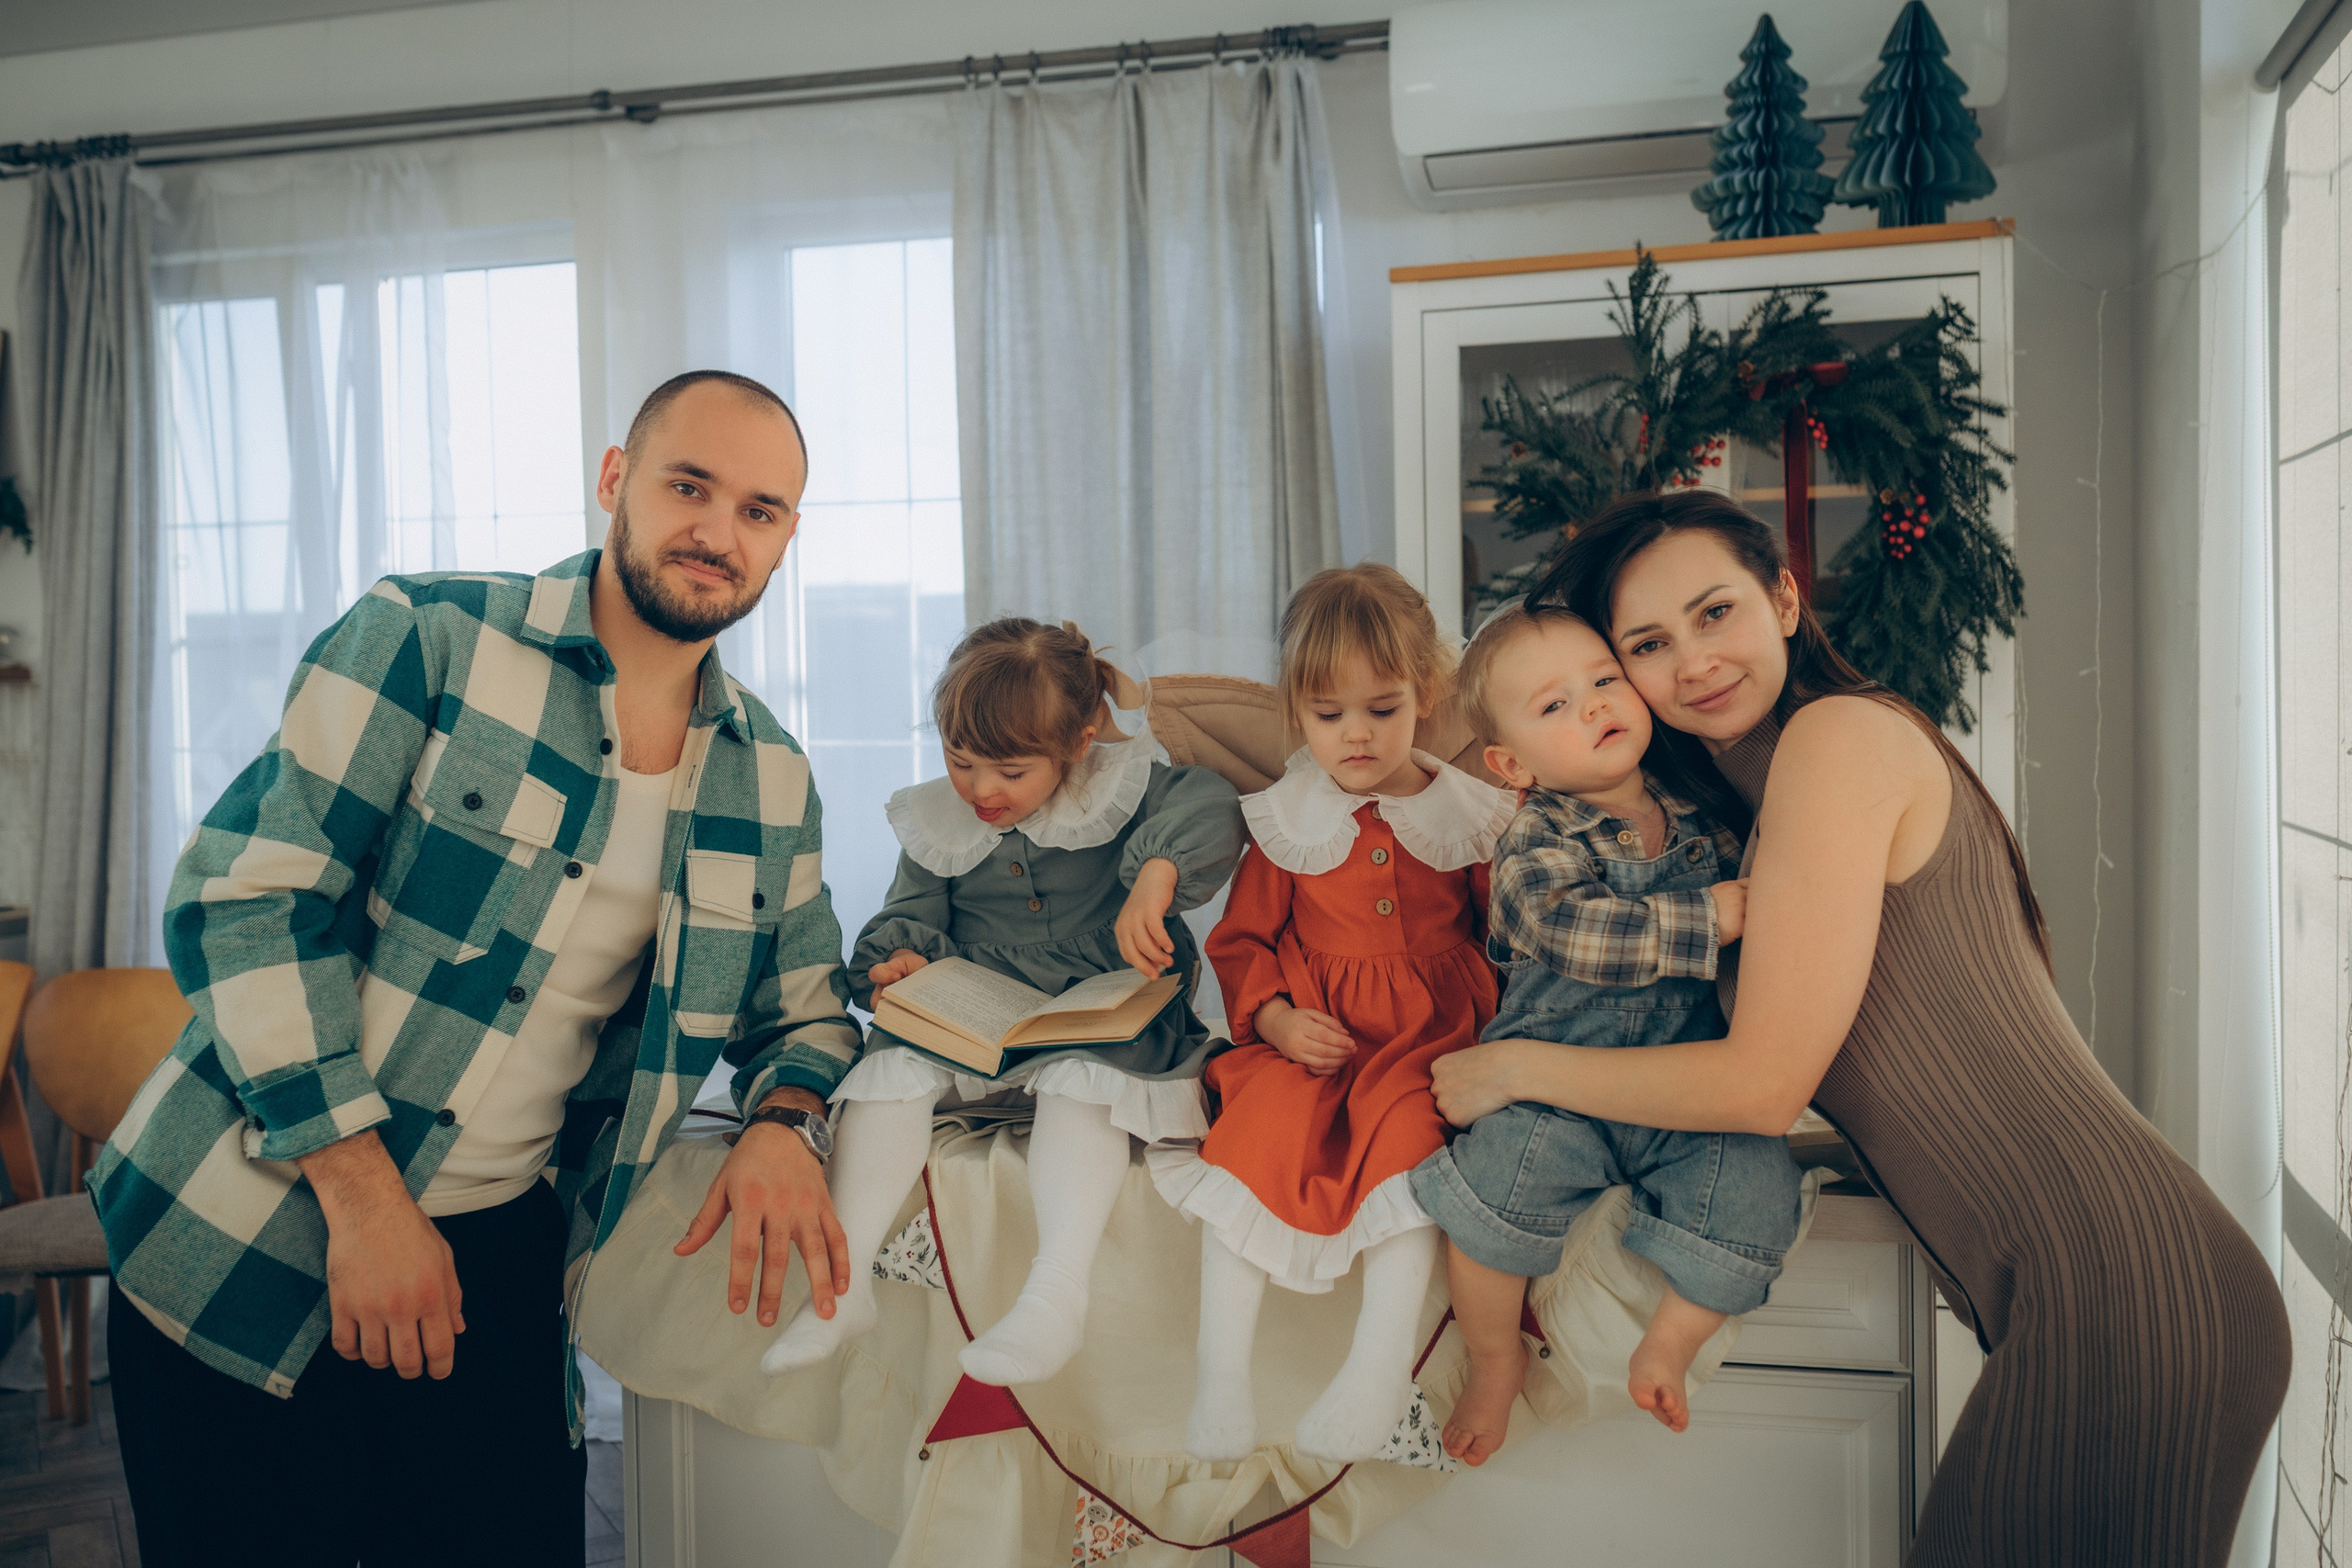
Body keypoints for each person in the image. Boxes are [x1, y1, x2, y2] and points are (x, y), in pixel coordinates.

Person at [1430, 490, 2292, 1565]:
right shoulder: (1741, 810)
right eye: (1646, 644)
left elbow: (1757, 1084)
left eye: (1715, 613)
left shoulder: (1836, 741)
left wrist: (1514, 1068)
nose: (1691, 661)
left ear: (1785, 598)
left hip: (2126, 1283)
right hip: (2084, 1289)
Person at [93, 370, 863, 1568]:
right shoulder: (430, 637)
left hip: (495, 1267)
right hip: (248, 1218)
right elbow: (244, 898)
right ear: (616, 479)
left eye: (759, 510)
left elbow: (809, 1008)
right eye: (689, 486)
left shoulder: (771, 779)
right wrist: (365, 1198)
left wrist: (788, 1116)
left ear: (786, 538)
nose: (719, 532)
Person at [763, 618, 1244, 1388]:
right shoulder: (943, 820)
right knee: (889, 1070)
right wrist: (899, 962)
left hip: (1101, 1008)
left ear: (1077, 745)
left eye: (1011, 771)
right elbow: (906, 913)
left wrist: (1156, 877)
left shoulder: (1123, 787)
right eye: (961, 761)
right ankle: (842, 1294)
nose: (981, 790)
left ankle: (1056, 1296)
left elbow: (1211, 805)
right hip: (981, 1012)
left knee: (1083, 1080)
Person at [1409, 598, 1795, 1464]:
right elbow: (1580, 936)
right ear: (1512, 762)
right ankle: (1496, 1358)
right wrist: (1715, 917)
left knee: (1761, 1178)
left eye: (1604, 681)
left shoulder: (1702, 816)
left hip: (1680, 1090)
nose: (1592, 706)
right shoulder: (1535, 838)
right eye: (1554, 705)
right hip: (1557, 1091)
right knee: (1490, 1192)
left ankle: (1673, 1338)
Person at [1148, 564, 1514, 1463]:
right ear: (1296, 712)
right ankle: (1219, 1375)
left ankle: (1377, 1373)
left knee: (1407, 1144)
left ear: (1424, 697)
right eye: (1327, 713)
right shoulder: (1287, 817)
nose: (1354, 735)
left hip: (1431, 1038)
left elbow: (1507, 929)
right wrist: (1270, 1019)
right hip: (1315, 1035)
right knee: (1255, 1129)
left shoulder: (1466, 812)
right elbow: (1242, 938)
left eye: (1381, 710)